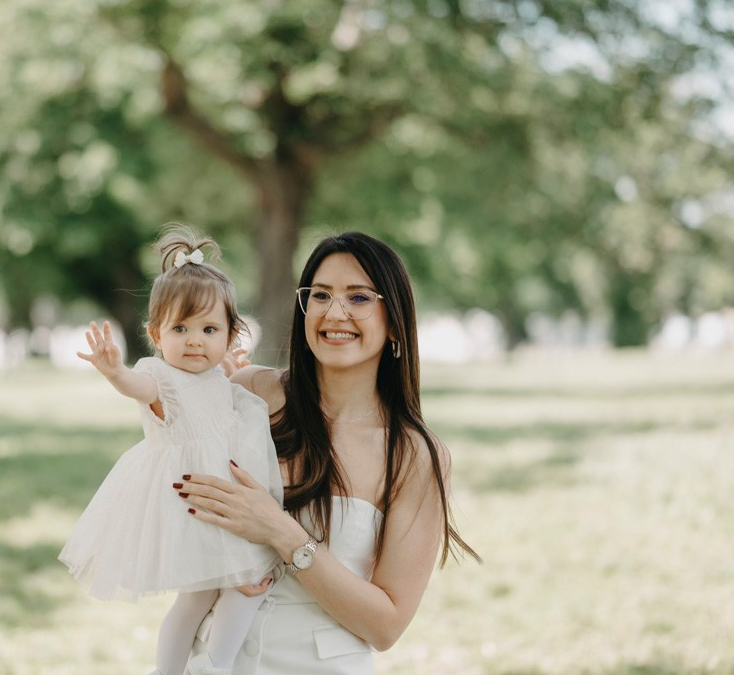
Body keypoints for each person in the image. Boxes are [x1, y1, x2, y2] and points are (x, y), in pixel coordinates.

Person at [175, 231, 480, 675]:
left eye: (358, 298)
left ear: (394, 321)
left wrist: (282, 532)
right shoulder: (250, 392)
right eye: (320, 295)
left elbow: (387, 626)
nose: (335, 312)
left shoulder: (414, 455)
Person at [58, 225, 286, 675]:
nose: (195, 340)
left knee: (245, 585)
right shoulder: (161, 379)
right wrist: (113, 372)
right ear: (156, 335)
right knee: (211, 593)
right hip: (197, 508)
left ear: (230, 334)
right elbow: (137, 387)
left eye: (209, 329)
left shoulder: (218, 375)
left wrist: (228, 367)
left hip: (233, 502)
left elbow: (222, 399)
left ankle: (213, 665)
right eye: (180, 328)